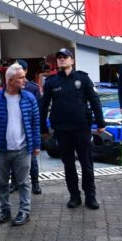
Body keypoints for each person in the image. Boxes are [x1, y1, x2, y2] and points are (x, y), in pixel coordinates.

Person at [40, 48, 105, 209]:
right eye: (59, 58)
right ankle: (74, 196)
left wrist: (100, 122)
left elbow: (95, 100)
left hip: (81, 128)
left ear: (72, 60)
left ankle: (91, 197)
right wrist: (43, 127)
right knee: (68, 166)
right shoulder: (51, 82)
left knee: (87, 165)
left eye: (65, 57)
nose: (62, 60)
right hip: (62, 130)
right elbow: (44, 105)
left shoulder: (82, 78)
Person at [0, 63, 41, 226]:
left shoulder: (29, 97)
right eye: (21, 77)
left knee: (23, 182)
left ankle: (24, 211)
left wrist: (36, 145)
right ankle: (5, 209)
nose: (25, 80)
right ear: (10, 80)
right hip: (0, 149)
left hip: (23, 149)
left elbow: (36, 123)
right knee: (2, 183)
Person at [10, 59, 42, 195]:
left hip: (27, 128)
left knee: (31, 159)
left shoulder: (33, 88)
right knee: (11, 158)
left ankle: (35, 183)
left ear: (26, 71)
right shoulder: (9, 87)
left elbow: (38, 111)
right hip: (13, 128)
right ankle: (14, 183)